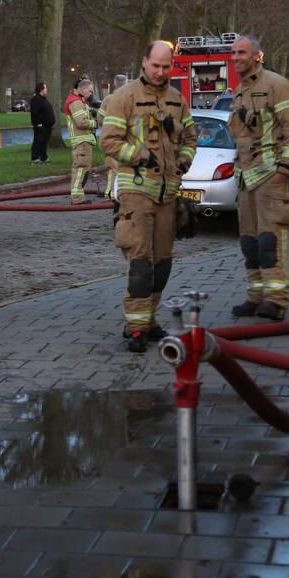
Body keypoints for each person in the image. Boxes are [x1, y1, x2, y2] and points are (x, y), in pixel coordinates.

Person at [100, 42, 197, 353]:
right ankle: (136, 328)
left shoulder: (176, 99)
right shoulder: (124, 97)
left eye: (166, 67)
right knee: (141, 265)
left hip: (167, 194)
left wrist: (184, 159)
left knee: (162, 266)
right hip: (136, 192)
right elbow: (109, 142)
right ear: (144, 62)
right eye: (155, 66)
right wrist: (141, 156)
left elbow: (191, 138)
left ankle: (150, 320)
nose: (160, 72)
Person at [227, 36, 289, 321]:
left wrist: (285, 168)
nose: (236, 58)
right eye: (234, 53)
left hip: (270, 175)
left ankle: (276, 300)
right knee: (250, 241)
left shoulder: (276, 84)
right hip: (246, 176)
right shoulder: (240, 89)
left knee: (270, 240)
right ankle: (256, 296)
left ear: (257, 56)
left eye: (242, 53)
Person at [64, 78, 98, 204]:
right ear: (83, 89)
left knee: (83, 169)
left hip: (83, 141)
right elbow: (81, 122)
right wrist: (96, 123)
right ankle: (77, 198)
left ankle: (78, 196)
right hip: (81, 142)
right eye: (90, 91)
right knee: (81, 169)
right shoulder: (76, 102)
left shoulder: (79, 100)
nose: (91, 94)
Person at [98, 74, 129, 202]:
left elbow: (100, 118)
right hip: (126, 139)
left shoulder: (108, 100)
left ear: (115, 84)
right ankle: (118, 193)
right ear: (126, 84)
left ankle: (110, 193)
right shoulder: (131, 99)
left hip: (111, 138)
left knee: (112, 167)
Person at [29, 82, 55, 164]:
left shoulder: (44, 100)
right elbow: (35, 113)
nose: (47, 90)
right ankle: (35, 158)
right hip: (41, 125)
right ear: (41, 89)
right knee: (38, 141)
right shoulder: (35, 100)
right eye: (45, 88)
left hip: (48, 125)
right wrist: (38, 124)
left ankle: (43, 157)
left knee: (44, 142)